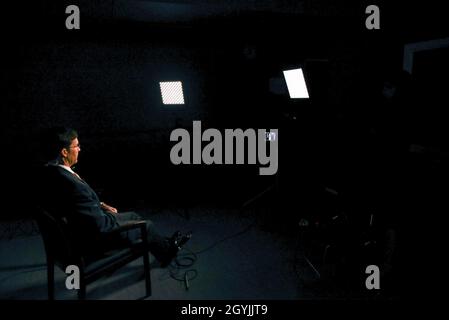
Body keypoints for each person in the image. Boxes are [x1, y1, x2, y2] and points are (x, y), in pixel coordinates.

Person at [36, 126, 191, 267]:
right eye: (76, 146)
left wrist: (101, 205)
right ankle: (166, 254)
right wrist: (111, 216)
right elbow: (101, 226)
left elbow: (76, 203)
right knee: (146, 224)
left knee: (133, 216)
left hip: (79, 229)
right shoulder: (71, 183)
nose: (80, 149)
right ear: (64, 152)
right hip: (93, 239)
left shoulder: (52, 172)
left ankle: (165, 244)